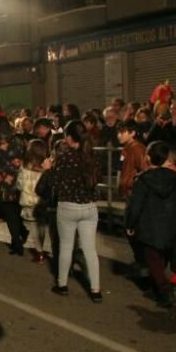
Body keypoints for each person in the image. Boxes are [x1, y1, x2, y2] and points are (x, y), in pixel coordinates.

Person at [125, 142, 176, 308]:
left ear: (148, 157)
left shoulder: (143, 179)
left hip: (150, 225)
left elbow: (136, 205)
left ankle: (165, 291)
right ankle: (156, 288)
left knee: (153, 259)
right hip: (171, 224)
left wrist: (130, 224)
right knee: (161, 257)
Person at [51, 122, 103, 302]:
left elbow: (56, 183)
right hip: (89, 207)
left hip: (68, 206)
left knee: (66, 246)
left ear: (70, 138)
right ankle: (96, 290)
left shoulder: (65, 156)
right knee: (90, 249)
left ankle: (62, 284)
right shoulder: (92, 156)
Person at [0, 124, 26, 256]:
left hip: (2, 182)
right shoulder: (18, 143)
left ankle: (17, 242)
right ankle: (21, 232)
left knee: (9, 212)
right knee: (13, 211)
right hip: (15, 181)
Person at [18, 139, 52, 263]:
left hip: (28, 199)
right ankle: (41, 249)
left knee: (33, 226)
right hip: (41, 200)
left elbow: (20, 183)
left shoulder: (25, 164)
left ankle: (39, 252)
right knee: (41, 225)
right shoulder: (46, 165)